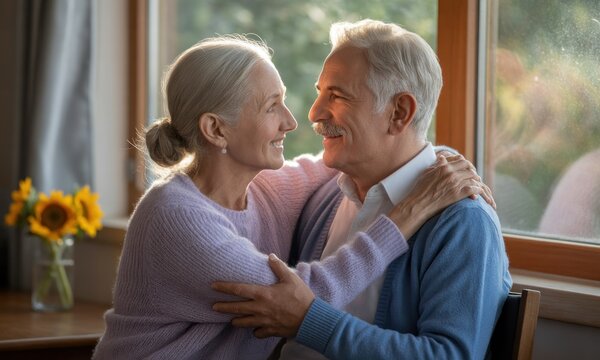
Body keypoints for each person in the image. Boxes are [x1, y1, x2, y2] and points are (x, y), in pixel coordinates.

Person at [92, 35, 491, 359]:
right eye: (272, 106)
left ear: (400, 114)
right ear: (216, 130)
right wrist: (409, 213)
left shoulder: (274, 189)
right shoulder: (177, 215)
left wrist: (442, 161)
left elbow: (359, 156)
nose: (303, 117)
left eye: (337, 95)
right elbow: (294, 302)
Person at [212, 20, 512, 359]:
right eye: (319, 92)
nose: (314, 113)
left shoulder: (463, 223)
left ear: (400, 112)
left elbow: (448, 355)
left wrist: (310, 321)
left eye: (337, 96)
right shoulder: (324, 195)